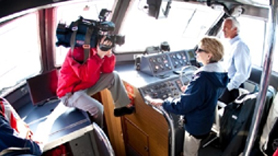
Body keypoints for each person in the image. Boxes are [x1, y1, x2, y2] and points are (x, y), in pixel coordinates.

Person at [145, 36, 228, 156]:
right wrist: (191, 91)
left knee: (190, 151)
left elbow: (183, 106)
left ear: (209, 55)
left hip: (195, 126)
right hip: (206, 121)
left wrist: (163, 102)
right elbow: (210, 94)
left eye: (199, 50)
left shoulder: (203, 78)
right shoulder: (221, 73)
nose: (196, 52)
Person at [57, 37, 135, 127]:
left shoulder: (95, 49)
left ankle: (122, 106)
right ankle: (98, 134)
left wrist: (108, 54)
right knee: (98, 108)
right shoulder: (76, 52)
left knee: (113, 76)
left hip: (85, 86)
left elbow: (107, 70)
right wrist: (99, 56)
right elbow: (85, 76)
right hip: (70, 93)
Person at [218, 17, 252, 104]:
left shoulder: (240, 46)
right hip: (226, 82)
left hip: (231, 87)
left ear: (235, 29)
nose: (223, 30)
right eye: (223, 27)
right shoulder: (230, 44)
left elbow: (242, 73)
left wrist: (228, 88)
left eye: (226, 28)